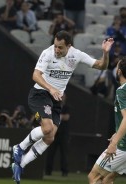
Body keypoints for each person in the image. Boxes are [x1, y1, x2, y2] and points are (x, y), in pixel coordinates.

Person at [11, 30, 114, 184]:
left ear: (69, 46)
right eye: (55, 46)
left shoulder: (76, 54)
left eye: (60, 47)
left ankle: (21, 164)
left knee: (50, 137)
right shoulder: (47, 53)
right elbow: (36, 75)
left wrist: (105, 53)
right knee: (47, 129)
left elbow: (101, 66)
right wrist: (51, 88)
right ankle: (19, 147)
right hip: (40, 94)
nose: (57, 50)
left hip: (56, 100)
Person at [88, 56, 126, 184]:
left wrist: (115, 142)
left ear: (119, 71)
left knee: (94, 176)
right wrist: (117, 133)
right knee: (108, 179)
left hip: (122, 147)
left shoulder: (122, 90)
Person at [45, 93, 70, 176]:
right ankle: (48, 171)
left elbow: (67, 117)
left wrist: (58, 116)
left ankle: (64, 171)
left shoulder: (67, 107)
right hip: (53, 133)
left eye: (63, 97)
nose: (62, 98)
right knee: (51, 153)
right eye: (61, 97)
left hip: (63, 134)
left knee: (64, 153)